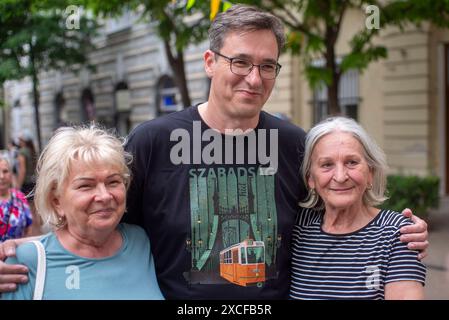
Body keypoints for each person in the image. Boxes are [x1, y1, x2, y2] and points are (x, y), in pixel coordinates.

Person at [0, 4, 428, 299]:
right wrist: (34, 252)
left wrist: (394, 233)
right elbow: (103, 221)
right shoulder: (153, 141)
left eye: (267, 66)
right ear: (209, 62)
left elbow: (328, 217)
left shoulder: (293, 143)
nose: (254, 78)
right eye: (239, 62)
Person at [1, 125, 164, 299]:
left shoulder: (141, 240)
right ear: (57, 202)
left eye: (113, 182)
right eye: (86, 185)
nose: (104, 196)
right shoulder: (25, 263)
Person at [290, 117, 426, 299]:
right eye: (327, 165)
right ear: (311, 179)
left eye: (352, 162)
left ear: (370, 173)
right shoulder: (298, 226)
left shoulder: (397, 233)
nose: (340, 176)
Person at [0, 154, 33, 242]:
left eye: (5, 171)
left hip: (17, 253)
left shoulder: (19, 197)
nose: (1, 176)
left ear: (11, 174)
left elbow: (29, 227)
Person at [17, 131, 37, 197]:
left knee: (24, 205)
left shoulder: (22, 152)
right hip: (33, 181)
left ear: (24, 141)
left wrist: (18, 186)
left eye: (20, 139)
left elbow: (22, 170)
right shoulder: (32, 151)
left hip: (25, 183)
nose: (19, 141)